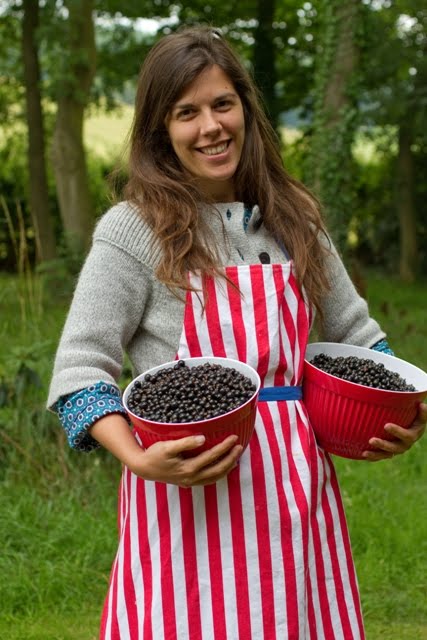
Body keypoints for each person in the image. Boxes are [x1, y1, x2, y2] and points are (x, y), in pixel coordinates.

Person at [48, 26, 426, 640]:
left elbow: (359, 336)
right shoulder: (133, 230)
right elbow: (80, 370)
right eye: (187, 112)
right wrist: (141, 459)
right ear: (160, 129)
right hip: (187, 492)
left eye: (222, 104)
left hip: (293, 489)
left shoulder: (294, 217)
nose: (210, 127)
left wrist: (402, 408)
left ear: (245, 109)